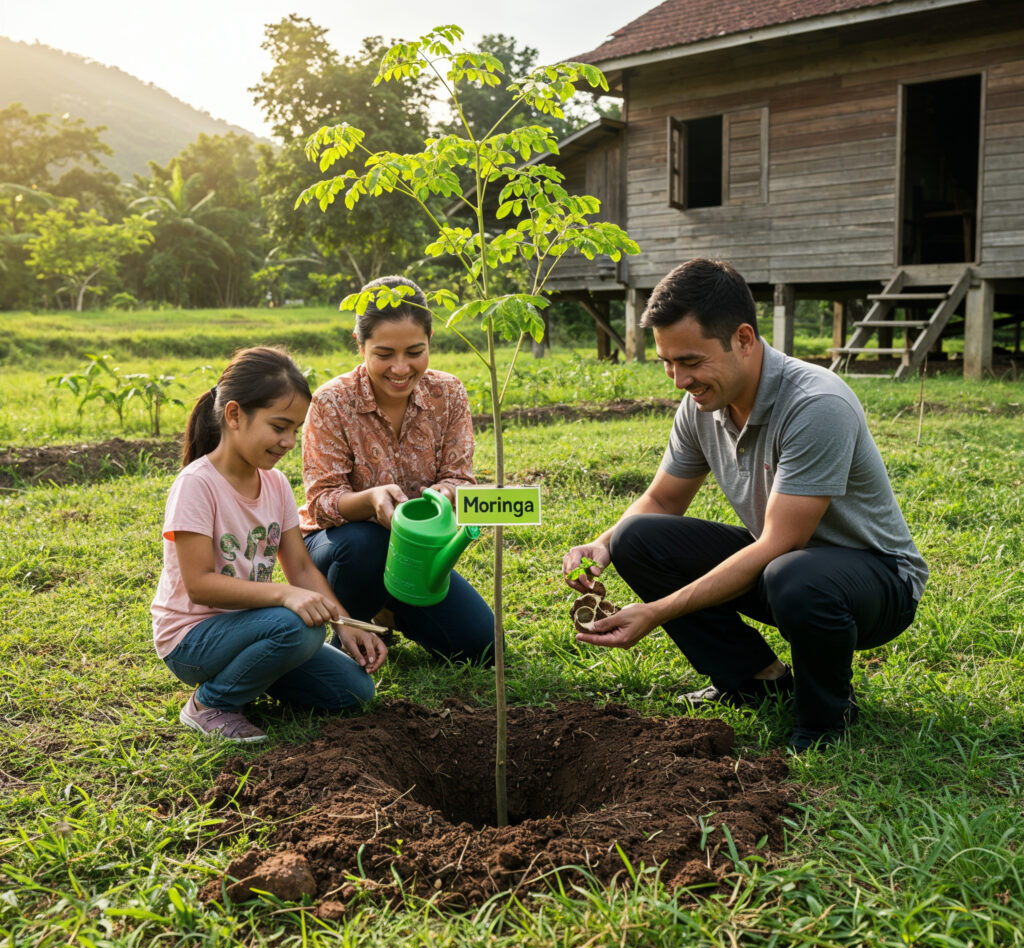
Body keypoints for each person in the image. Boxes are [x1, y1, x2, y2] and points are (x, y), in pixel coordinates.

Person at [562, 258, 927, 751]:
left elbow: (781, 542)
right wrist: (602, 545)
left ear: (744, 339)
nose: (678, 380)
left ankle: (825, 720)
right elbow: (663, 499)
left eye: (690, 361)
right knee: (637, 538)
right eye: (667, 362)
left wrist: (657, 612)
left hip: (874, 584)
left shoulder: (816, 404)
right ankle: (755, 680)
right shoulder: (702, 407)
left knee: (793, 574)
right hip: (785, 570)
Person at [151, 346, 387, 743]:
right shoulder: (197, 484)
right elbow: (199, 585)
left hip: (254, 630)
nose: (289, 441)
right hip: (192, 639)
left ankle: (256, 673)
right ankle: (211, 703)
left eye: (296, 429)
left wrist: (345, 625)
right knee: (300, 627)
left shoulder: (275, 484)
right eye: (279, 427)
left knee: (354, 692)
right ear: (234, 415)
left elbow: (301, 567)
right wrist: (283, 595)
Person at [300, 275, 495, 664]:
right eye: (384, 354)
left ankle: (390, 608)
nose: (401, 368)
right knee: (366, 545)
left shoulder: (448, 393)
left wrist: (446, 494)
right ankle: (345, 644)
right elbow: (322, 502)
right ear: (360, 344)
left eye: (415, 352)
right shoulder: (332, 401)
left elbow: (460, 477)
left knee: (482, 648)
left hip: (416, 552)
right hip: (340, 546)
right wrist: (371, 501)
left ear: (431, 340)